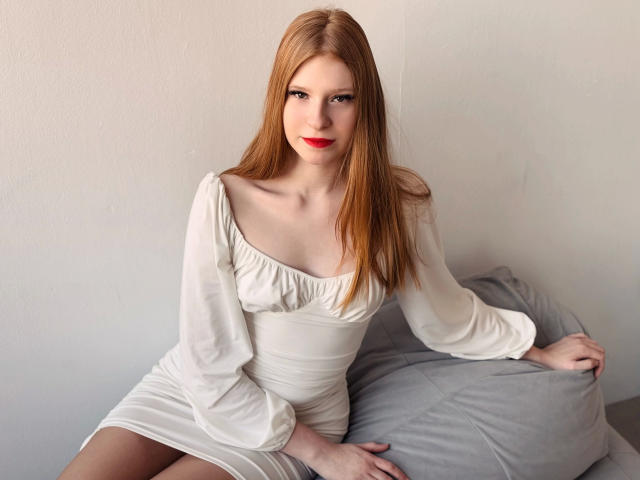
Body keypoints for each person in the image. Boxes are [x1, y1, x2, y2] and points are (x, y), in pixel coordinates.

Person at [57, 7, 606, 480]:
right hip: (191, 391)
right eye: (300, 94)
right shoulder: (224, 198)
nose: (317, 119)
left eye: (339, 98)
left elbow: (445, 315)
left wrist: (536, 351)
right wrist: (326, 459)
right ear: (279, 97)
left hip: (299, 425)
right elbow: (208, 368)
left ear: (365, 105)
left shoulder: (400, 207)